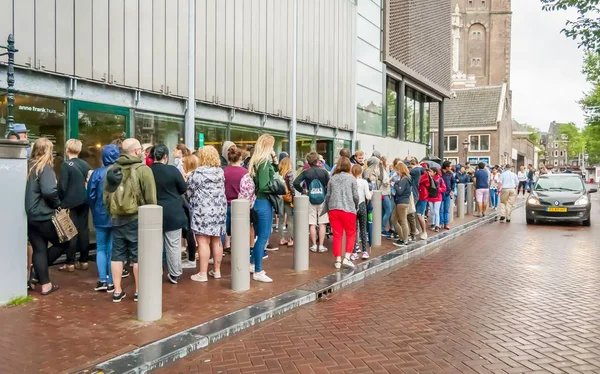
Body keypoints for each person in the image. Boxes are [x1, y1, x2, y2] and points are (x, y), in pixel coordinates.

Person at [104, 138, 157, 303]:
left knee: (117, 255)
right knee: (137, 256)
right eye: (141, 149)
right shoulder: (143, 170)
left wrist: (112, 212)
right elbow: (151, 199)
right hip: (137, 219)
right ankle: (139, 291)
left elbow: (106, 196)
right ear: (136, 151)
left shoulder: (112, 169)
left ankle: (117, 291)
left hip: (117, 218)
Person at [25, 138, 75, 295]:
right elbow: (48, 191)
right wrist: (57, 204)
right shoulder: (43, 167)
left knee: (39, 249)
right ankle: (36, 276)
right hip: (44, 215)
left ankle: (43, 283)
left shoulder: (27, 166)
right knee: (65, 242)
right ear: (48, 150)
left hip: (30, 215)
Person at [186, 146, 227, 282]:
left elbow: (188, 192)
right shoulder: (220, 172)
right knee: (217, 241)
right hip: (219, 210)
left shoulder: (197, 174)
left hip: (202, 211)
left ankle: (202, 274)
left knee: (203, 242)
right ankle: (217, 271)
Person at [150, 144, 187, 284]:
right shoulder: (172, 170)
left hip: (152, 211)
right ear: (165, 157)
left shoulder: (147, 171)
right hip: (173, 211)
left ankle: (154, 270)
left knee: (154, 244)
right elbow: (183, 188)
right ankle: (174, 273)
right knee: (173, 244)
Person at [247, 134, 279, 282]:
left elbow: (274, 170)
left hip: (257, 202)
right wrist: (277, 187)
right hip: (264, 201)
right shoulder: (264, 162)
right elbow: (265, 185)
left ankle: (254, 264)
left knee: (260, 236)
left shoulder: (257, 162)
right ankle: (258, 270)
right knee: (263, 237)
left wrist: (274, 159)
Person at [88, 144, 120, 292]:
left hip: (100, 214)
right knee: (112, 249)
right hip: (117, 215)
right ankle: (112, 281)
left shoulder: (96, 173)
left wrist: (94, 208)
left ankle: (102, 279)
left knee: (100, 247)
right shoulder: (120, 172)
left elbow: (91, 195)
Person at [58, 139, 92, 271]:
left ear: (67, 149)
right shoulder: (85, 165)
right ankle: (84, 261)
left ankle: (70, 262)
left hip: (70, 202)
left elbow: (62, 186)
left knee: (71, 231)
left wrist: (60, 201)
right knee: (83, 230)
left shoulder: (66, 165)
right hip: (84, 200)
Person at [323, 156, 359, 269]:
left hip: (334, 209)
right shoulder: (352, 179)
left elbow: (328, 195)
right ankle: (347, 258)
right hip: (348, 209)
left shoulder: (332, 178)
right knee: (350, 233)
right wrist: (356, 205)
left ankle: (338, 260)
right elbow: (355, 196)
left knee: (337, 235)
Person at [293, 151, 330, 253]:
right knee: (322, 223)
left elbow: (295, 182)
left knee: (312, 223)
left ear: (308, 162)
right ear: (317, 160)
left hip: (310, 199)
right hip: (322, 199)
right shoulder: (324, 172)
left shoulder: (306, 172)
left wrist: (304, 191)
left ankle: (314, 245)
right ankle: (321, 246)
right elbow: (329, 184)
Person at [224, 146, 247, 252]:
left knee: (225, 229)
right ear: (240, 158)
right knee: (239, 231)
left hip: (226, 204)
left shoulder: (224, 172)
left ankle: (226, 245)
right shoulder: (245, 172)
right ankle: (238, 251)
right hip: (240, 205)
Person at [181, 154, 200, 268]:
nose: (182, 164)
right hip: (194, 207)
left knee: (189, 233)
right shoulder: (196, 174)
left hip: (190, 208)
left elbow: (187, 192)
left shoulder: (190, 176)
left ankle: (191, 258)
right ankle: (191, 255)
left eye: (184, 162)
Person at [350, 164, 371, 260]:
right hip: (362, 206)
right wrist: (371, 193)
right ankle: (365, 251)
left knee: (354, 230)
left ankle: (354, 252)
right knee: (363, 228)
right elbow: (368, 197)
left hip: (352, 207)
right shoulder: (364, 182)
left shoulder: (350, 181)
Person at [392, 162, 412, 247]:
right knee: (394, 219)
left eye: (397, 170)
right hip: (401, 202)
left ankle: (405, 240)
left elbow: (400, 191)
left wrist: (395, 184)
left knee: (403, 221)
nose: (396, 172)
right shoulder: (405, 178)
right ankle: (402, 238)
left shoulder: (404, 179)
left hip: (402, 202)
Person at [278, 157, 295, 247]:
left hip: (280, 198)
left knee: (281, 219)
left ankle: (281, 239)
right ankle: (290, 239)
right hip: (288, 198)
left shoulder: (279, 174)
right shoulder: (289, 174)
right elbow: (292, 187)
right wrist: (294, 195)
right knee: (290, 218)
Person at [408, 159, 424, 240]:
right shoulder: (420, 169)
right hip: (415, 194)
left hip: (413, 195)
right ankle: (414, 230)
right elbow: (422, 169)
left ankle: (413, 232)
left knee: (410, 213)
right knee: (413, 213)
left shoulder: (414, 171)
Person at [427, 167, 446, 232]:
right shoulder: (428, 179)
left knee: (436, 211)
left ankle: (437, 225)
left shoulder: (440, 179)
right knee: (432, 211)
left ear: (435, 172)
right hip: (430, 197)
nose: (429, 173)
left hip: (437, 197)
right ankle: (433, 223)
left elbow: (444, 188)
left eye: (431, 171)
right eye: (429, 171)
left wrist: (438, 189)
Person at [440, 161, 456, 230]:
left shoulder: (450, 174)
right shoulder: (440, 173)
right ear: (446, 167)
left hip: (447, 193)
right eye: (449, 166)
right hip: (440, 193)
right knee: (441, 209)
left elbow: (453, 182)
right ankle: (440, 222)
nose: (451, 167)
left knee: (446, 209)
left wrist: (452, 190)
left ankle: (446, 223)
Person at [416, 165, 430, 240]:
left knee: (420, 215)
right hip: (418, 196)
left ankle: (424, 232)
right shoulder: (424, 174)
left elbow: (418, 181)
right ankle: (416, 230)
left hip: (422, 197)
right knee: (416, 214)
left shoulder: (424, 174)